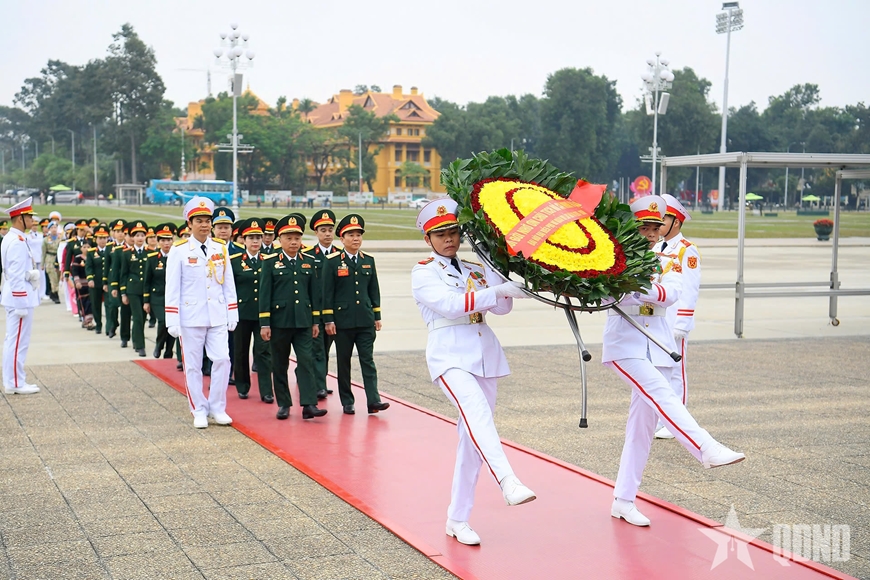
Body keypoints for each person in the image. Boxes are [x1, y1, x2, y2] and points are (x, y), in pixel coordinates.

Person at [604, 196, 744, 528]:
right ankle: (704, 447)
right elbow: (609, 296)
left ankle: (623, 500)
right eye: (645, 227)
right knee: (663, 395)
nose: (651, 233)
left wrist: (636, 287)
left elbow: (671, 294)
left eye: (656, 227)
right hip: (625, 344)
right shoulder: (612, 259)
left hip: (658, 343)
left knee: (640, 431)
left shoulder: (669, 258)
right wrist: (639, 287)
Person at [410, 198, 536, 546]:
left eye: (453, 232)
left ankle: (457, 518)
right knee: (478, 415)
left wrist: (494, 266)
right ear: (428, 239)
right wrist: (496, 290)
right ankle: (508, 481)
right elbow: (450, 305)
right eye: (440, 234)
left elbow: (503, 307)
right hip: (450, 356)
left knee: (472, 440)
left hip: (484, 355)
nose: (449, 239)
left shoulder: (472, 269)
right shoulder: (423, 271)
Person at [166, 197, 238, 429]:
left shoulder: (220, 247)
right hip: (191, 316)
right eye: (199, 221)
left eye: (208, 220)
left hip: (217, 314)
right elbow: (172, 287)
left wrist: (232, 311)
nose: (204, 225)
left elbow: (228, 282)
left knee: (222, 360)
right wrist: (172, 318)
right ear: (190, 223)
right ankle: (198, 408)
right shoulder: (179, 251)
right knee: (194, 366)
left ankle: (217, 407)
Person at [258, 214, 327, 420]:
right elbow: (264, 294)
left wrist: (315, 320)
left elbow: (315, 294)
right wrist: (264, 323)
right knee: (280, 363)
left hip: (303, 322)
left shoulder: (308, 261)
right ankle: (284, 404)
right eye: (289, 238)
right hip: (279, 322)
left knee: (306, 361)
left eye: (297, 237)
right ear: (280, 239)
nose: (294, 242)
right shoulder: (270, 262)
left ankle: (308, 404)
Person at [321, 214, 389, 415]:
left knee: (367, 360)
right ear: (342, 239)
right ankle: (347, 401)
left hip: (365, 320)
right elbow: (327, 293)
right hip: (342, 323)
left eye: (358, 234)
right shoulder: (332, 261)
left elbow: (373, 290)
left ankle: (373, 400)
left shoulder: (368, 260)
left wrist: (376, 315)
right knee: (344, 362)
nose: (356, 238)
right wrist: (328, 319)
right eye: (351, 235)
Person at [654, 194, 702, 439]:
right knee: (656, 369)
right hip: (657, 319)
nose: (658, 224)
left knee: (675, 371)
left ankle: (676, 422)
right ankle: (660, 418)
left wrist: (682, 323)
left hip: (674, 321)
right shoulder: (655, 246)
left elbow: (690, 290)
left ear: (677, 222)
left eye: (664, 219)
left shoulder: (686, 251)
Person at [231, 218, 273, 402]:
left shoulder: (269, 260)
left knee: (263, 352)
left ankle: (266, 390)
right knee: (241, 350)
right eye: (251, 238)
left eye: (258, 237)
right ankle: (242, 385)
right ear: (244, 240)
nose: (255, 241)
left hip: (263, 314)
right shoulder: (234, 261)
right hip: (242, 313)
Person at [1, 197, 41, 395]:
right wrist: (21, 302)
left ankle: (15, 380)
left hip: (18, 295)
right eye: (29, 217)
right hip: (19, 298)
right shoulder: (16, 241)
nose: (33, 221)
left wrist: (30, 274)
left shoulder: (14, 238)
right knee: (17, 342)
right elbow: (15, 275)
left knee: (15, 341)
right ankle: (15, 382)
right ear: (19, 218)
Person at [305, 209, 341, 399]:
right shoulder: (309, 256)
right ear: (316, 233)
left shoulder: (341, 256)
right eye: (323, 230)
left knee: (327, 349)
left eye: (330, 230)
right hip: (316, 311)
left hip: (336, 312)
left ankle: (319, 380)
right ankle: (319, 384)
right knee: (317, 349)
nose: (327, 234)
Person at [144, 223, 175, 359]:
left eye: (168, 240)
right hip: (157, 296)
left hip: (173, 297)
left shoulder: (176, 257)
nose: (166, 243)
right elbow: (147, 280)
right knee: (163, 321)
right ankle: (159, 345)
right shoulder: (152, 258)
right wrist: (146, 301)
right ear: (158, 241)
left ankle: (168, 350)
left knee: (173, 324)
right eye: (163, 240)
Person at [119, 221, 149, 356]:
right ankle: (141, 346)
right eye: (137, 235)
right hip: (132, 290)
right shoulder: (126, 254)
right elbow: (123, 274)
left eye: (142, 235)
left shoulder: (150, 253)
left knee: (142, 318)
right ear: (132, 237)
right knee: (137, 317)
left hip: (146, 290)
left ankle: (137, 340)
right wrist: (123, 292)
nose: (140, 238)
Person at [85, 224, 112, 334]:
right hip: (95, 282)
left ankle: (109, 326)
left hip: (107, 282)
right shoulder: (91, 252)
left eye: (104, 238)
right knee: (96, 304)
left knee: (109, 305)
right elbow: (89, 267)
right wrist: (90, 279)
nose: (102, 240)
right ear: (96, 239)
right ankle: (98, 325)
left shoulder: (111, 250)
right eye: (100, 238)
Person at [42, 222, 62, 303]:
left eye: (55, 227)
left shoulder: (60, 238)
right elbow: (43, 252)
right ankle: (55, 294)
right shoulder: (46, 239)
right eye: (52, 227)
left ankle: (52, 292)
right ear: (49, 229)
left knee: (57, 277)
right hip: (50, 259)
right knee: (52, 278)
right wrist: (42, 263)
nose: (54, 229)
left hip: (58, 259)